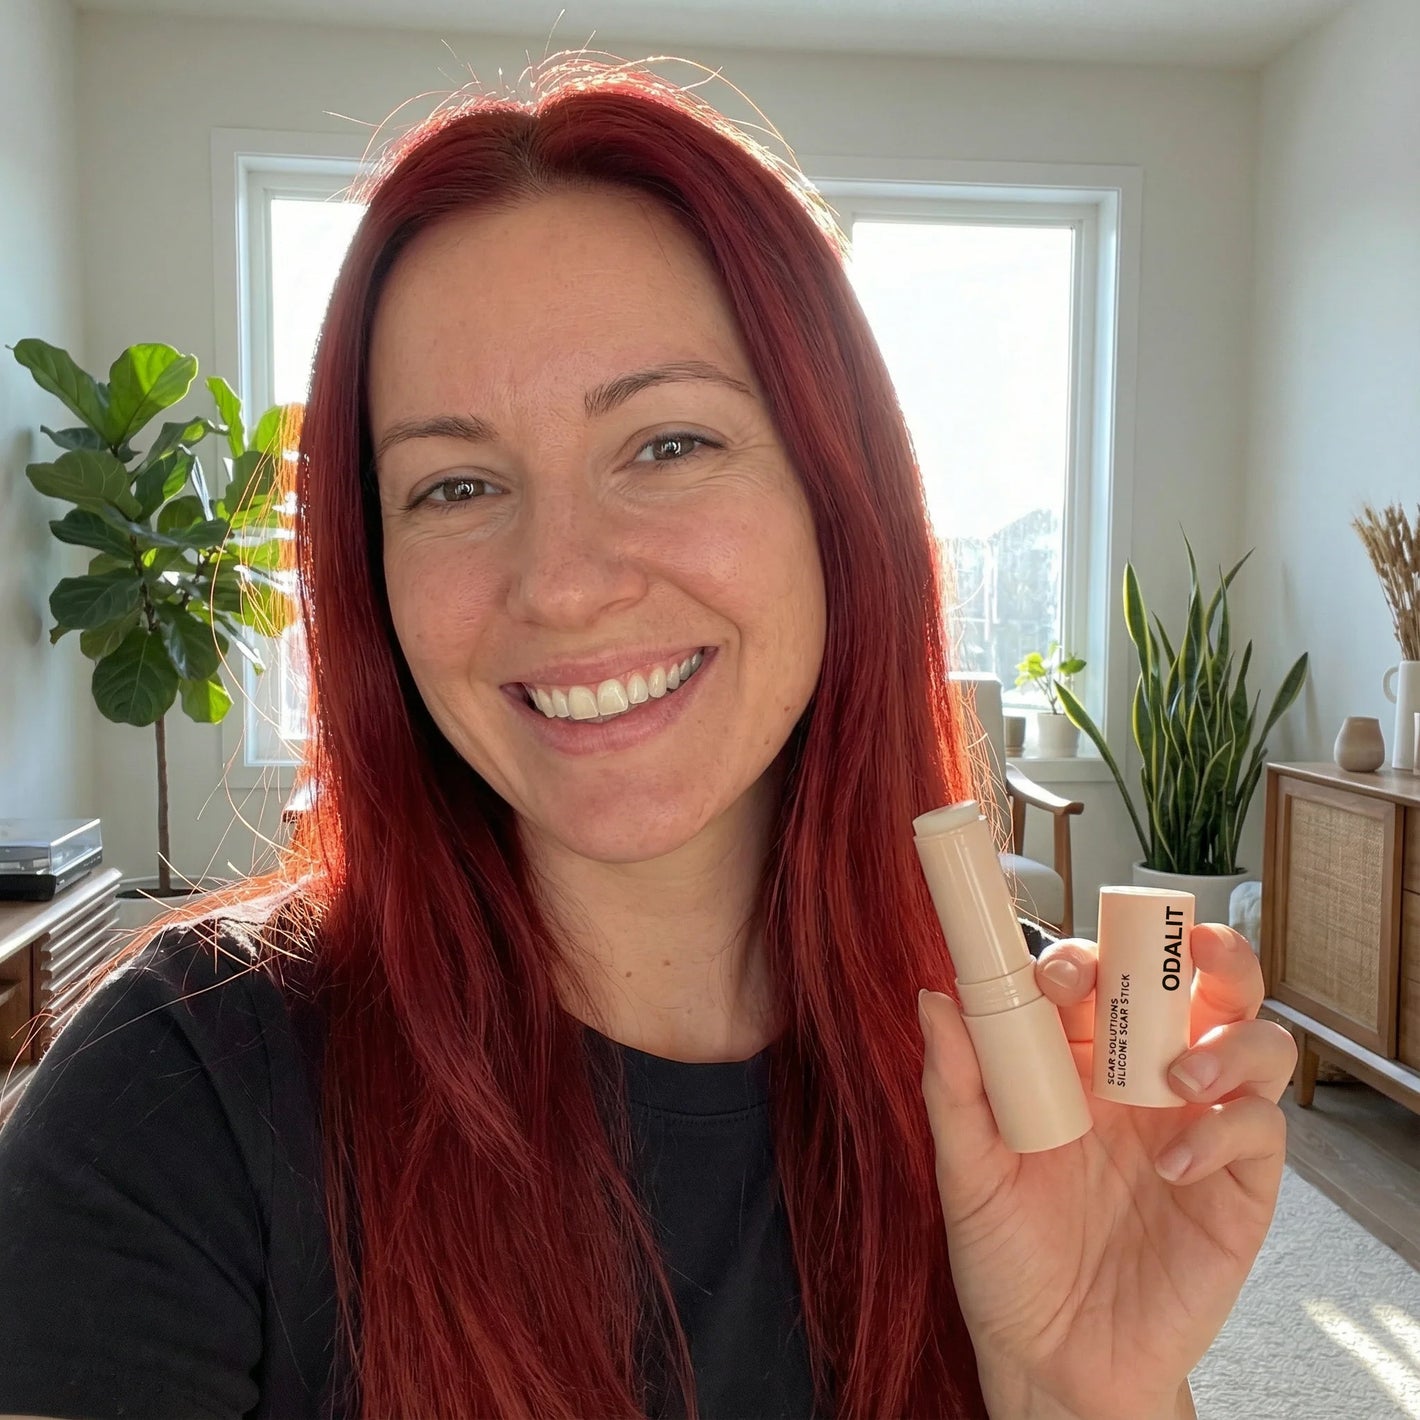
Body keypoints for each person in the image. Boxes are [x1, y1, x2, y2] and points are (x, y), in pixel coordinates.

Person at [0, 56, 1296, 1420]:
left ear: (837, 497)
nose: (562, 584)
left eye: (668, 445)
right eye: (455, 485)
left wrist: (1081, 1388)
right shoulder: (174, 1094)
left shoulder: (1014, 1068)